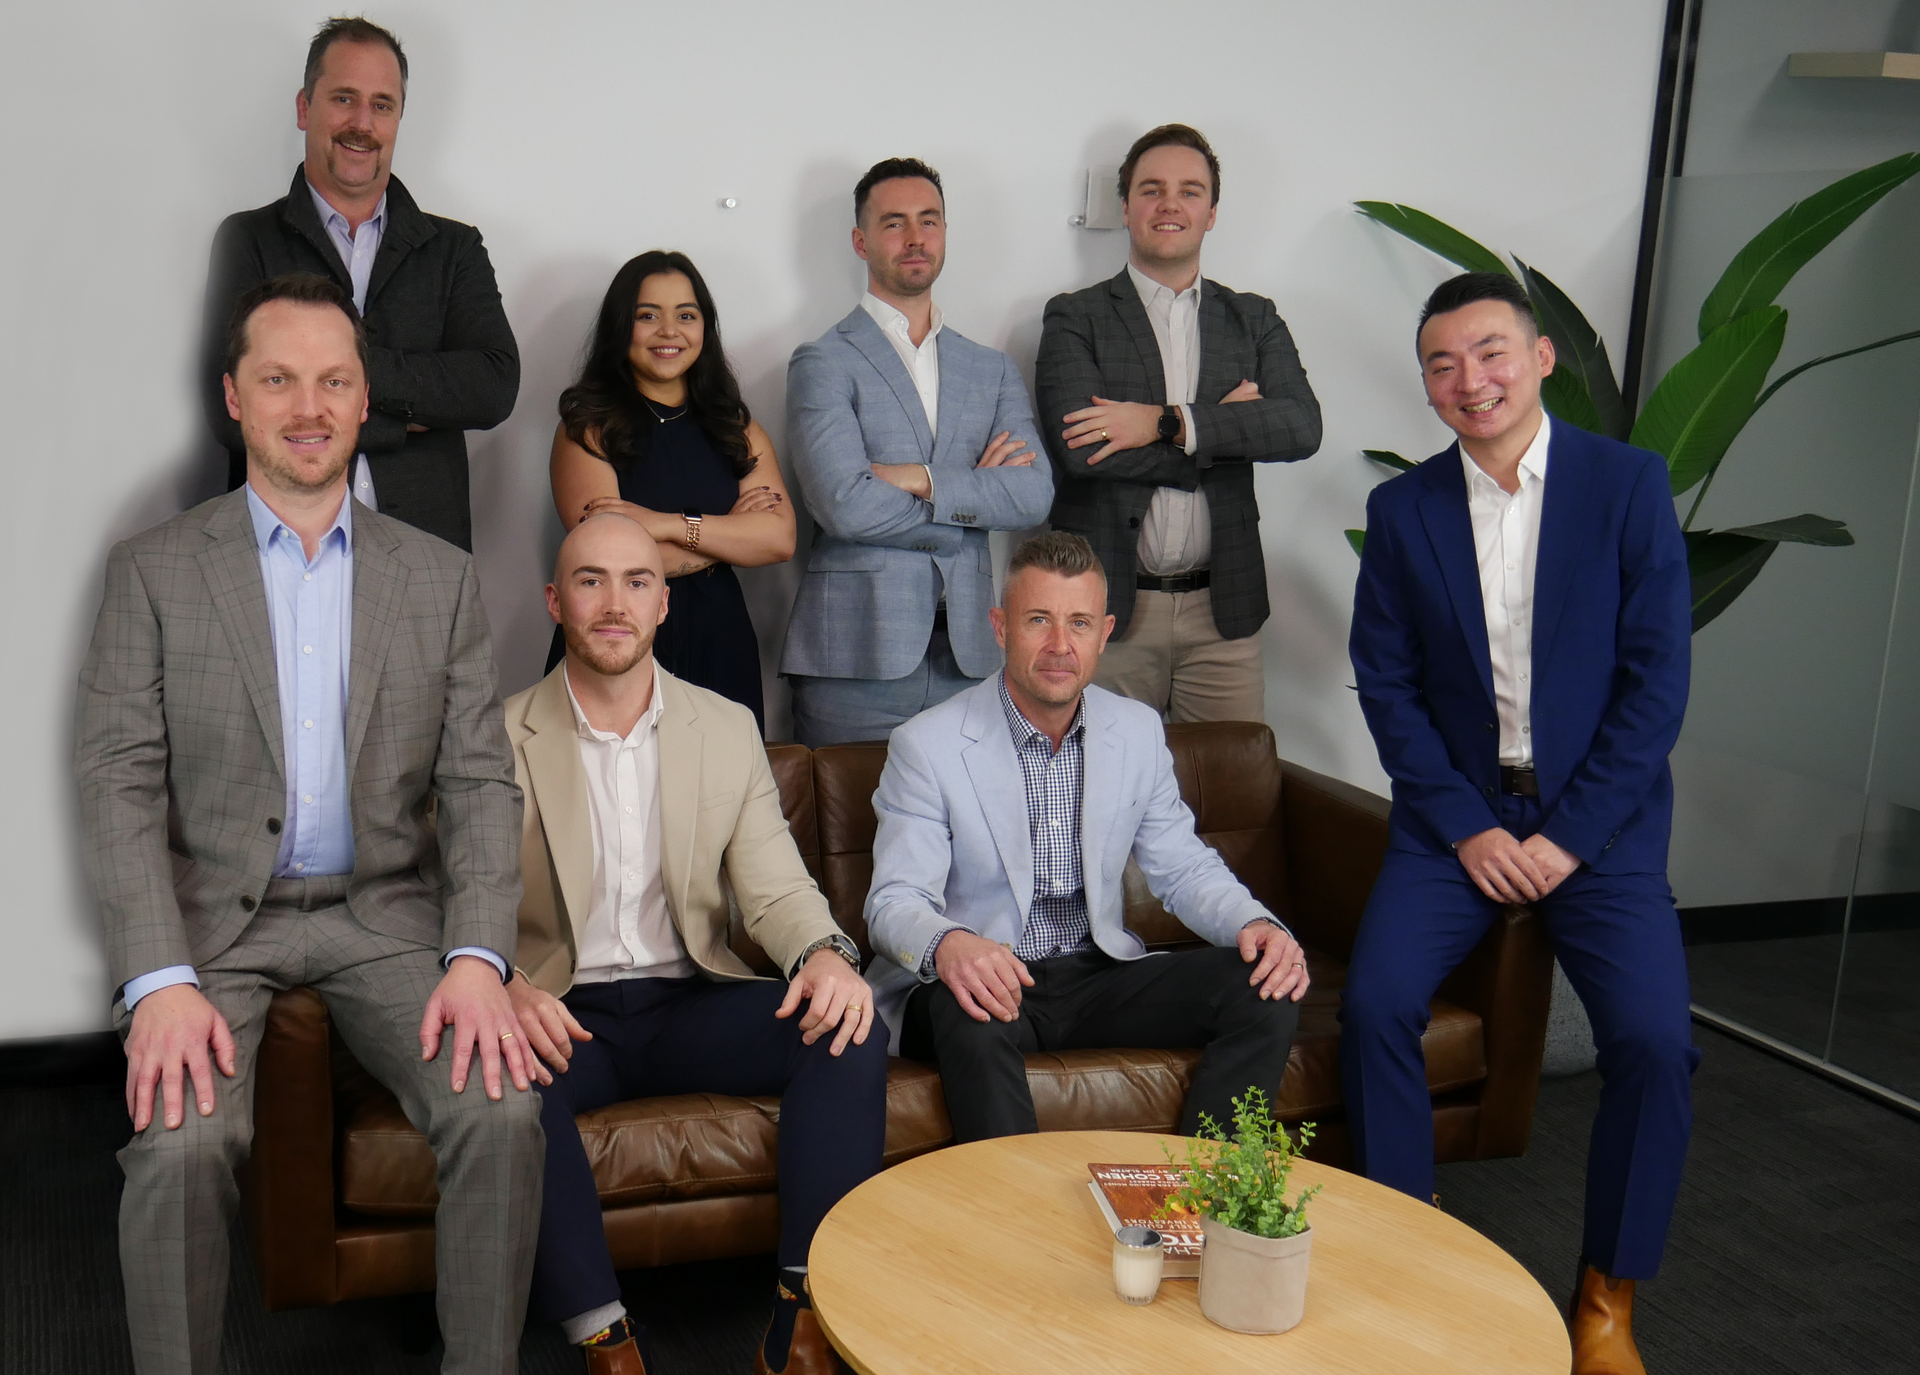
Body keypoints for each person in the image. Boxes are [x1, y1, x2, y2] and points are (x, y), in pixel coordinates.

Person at [77, 273, 541, 1375]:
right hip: (211, 928)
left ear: (364, 398)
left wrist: (478, 956)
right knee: (181, 1145)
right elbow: (117, 782)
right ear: (233, 396)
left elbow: (482, 783)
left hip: (383, 915)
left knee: (503, 1111)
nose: (309, 405)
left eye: (334, 380)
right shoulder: (152, 570)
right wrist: (157, 979)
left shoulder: (438, 579)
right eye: (279, 378)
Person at [1343, 272, 1697, 1375]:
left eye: (1491, 352)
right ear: (1427, 385)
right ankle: (1409, 1257)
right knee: (1376, 1004)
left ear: (1540, 358)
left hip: (1601, 822)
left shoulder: (1627, 486)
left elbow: (1657, 686)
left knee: (1656, 1042)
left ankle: (1606, 1297)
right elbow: (1387, 687)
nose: (1471, 379)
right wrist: (1466, 828)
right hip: (1458, 816)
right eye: (1443, 364)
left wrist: (1568, 835)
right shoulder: (1405, 512)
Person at [507, 513, 887, 1375]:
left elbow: (775, 885)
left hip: (688, 1001)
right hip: (562, 1011)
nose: (615, 603)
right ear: (556, 601)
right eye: (592, 581)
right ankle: (606, 1341)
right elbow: (462, 899)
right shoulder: (497, 736)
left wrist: (825, 953)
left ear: (663, 604)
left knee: (849, 1028)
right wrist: (503, 982)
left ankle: (804, 1316)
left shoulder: (722, 727)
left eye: (637, 581)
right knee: (503, 1075)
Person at [864, 531, 1309, 1142]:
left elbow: (1183, 868)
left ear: (1105, 634)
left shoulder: (1136, 730)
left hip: (1098, 976)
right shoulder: (927, 744)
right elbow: (893, 903)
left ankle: (1202, 1187)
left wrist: (1255, 924)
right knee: (971, 1010)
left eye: (1079, 623)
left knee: (1264, 988)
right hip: (986, 979)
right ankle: (1015, 1204)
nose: (1059, 645)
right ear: (1000, 628)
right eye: (1038, 620)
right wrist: (950, 944)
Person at [1035, 124, 1322, 724]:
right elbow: (1082, 452)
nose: (1170, 204)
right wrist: (1227, 428)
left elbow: (1300, 427)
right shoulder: (1075, 317)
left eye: (1190, 191)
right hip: (1106, 610)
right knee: (1100, 781)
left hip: (1224, 614)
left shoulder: (1254, 319)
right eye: (1152, 190)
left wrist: (1163, 423)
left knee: (1230, 780)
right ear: (1126, 207)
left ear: (1211, 213)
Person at [200, 16, 518, 552]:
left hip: (426, 554)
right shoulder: (248, 239)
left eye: (382, 105)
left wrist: (323, 386)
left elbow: (492, 387)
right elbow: (228, 412)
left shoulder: (454, 248)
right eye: (344, 98)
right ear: (305, 107)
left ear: (398, 118)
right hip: (276, 548)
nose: (362, 123)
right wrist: (411, 416)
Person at [780, 157, 1055, 747]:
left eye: (928, 221)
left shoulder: (990, 369)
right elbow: (844, 504)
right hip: (855, 658)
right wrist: (973, 498)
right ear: (861, 241)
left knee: (971, 811)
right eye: (894, 223)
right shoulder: (823, 361)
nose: (914, 237)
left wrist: (920, 478)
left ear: (945, 234)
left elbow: (1033, 495)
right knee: (846, 811)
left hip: (969, 662)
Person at [547, 251, 794, 733]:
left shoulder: (735, 426)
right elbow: (604, 559)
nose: (669, 331)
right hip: (618, 634)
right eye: (647, 316)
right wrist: (731, 537)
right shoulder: (587, 428)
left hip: (721, 637)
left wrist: (663, 525)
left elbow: (779, 540)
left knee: (722, 773)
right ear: (621, 326)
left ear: (705, 327)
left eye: (686, 315)